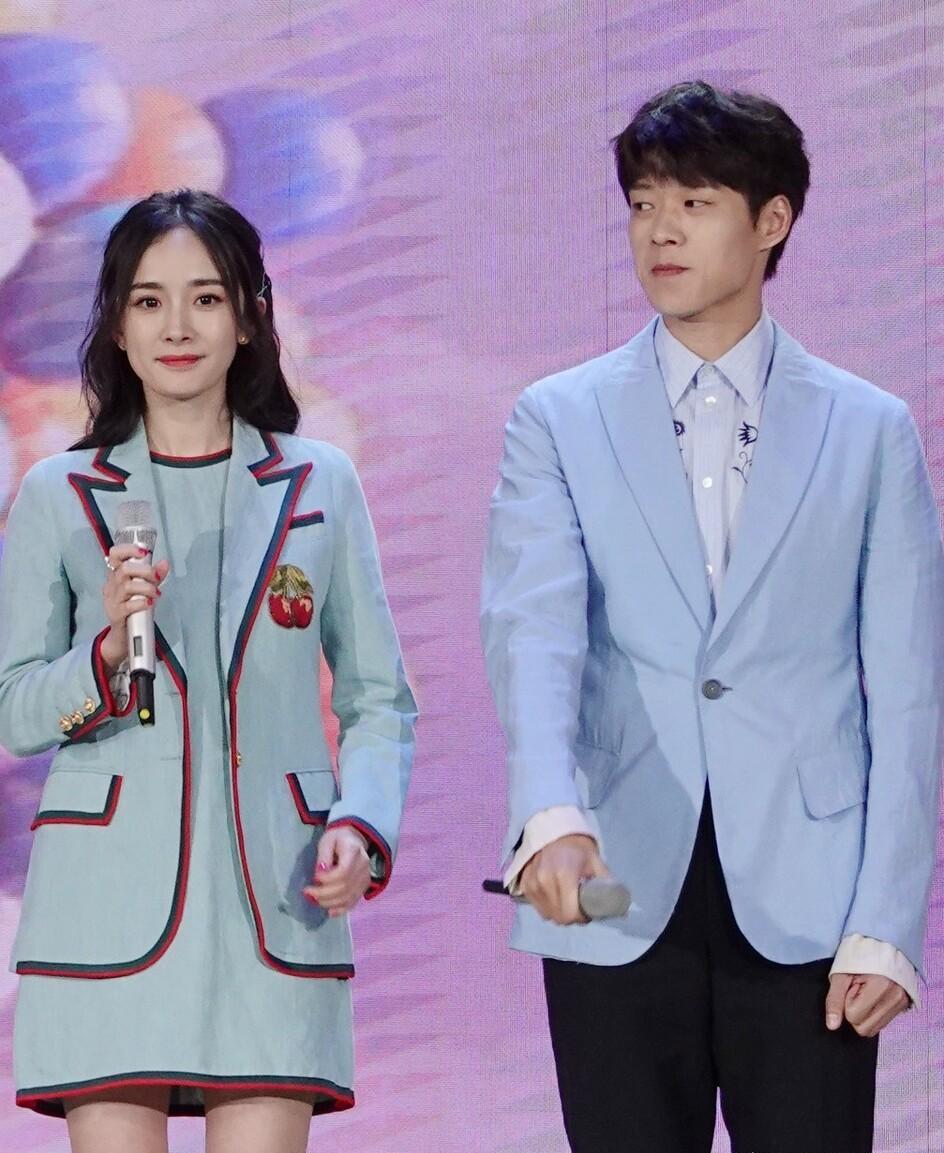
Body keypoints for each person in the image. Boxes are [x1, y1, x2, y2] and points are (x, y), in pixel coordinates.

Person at [481, 81, 943, 1153]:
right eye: (643, 204)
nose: (660, 231)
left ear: (770, 220)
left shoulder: (868, 429)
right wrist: (549, 813)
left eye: (693, 203)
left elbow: (908, 690)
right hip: (613, 886)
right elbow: (532, 632)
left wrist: (886, 920)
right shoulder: (558, 417)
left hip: (810, 900)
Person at [0, 189, 417, 1153]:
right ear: (115, 322)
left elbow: (377, 699)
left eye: (206, 298)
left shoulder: (320, 482)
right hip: (104, 915)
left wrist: (362, 824)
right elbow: (13, 709)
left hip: (276, 897)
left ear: (250, 317)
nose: (178, 327)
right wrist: (105, 654)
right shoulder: (59, 492)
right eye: (149, 301)